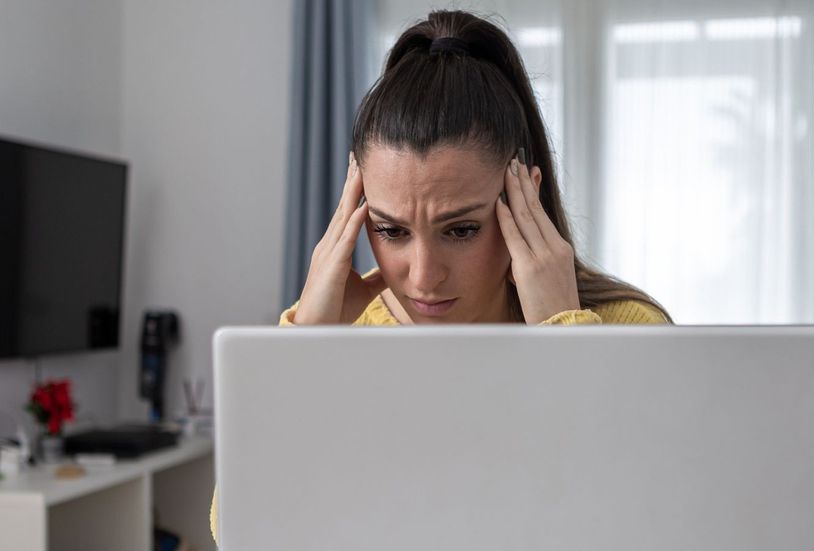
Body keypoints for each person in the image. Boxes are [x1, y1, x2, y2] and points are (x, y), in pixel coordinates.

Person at [210, 8, 671, 544]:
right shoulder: (341, 341)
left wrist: (563, 340)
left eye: (460, 231)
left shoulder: (625, 330)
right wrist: (302, 354)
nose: (423, 277)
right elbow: (239, 532)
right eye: (391, 230)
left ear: (523, 202)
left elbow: (645, 522)